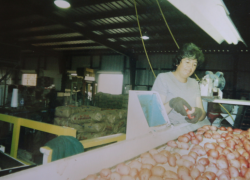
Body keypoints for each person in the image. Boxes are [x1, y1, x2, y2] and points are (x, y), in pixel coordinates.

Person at [152, 43, 206, 125]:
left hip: (189, 130)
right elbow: (155, 114)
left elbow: (202, 115)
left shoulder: (194, 83)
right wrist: (171, 103)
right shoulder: (164, 78)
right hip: (169, 129)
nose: (190, 67)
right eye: (187, 62)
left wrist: (200, 113)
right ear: (177, 62)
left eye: (194, 64)